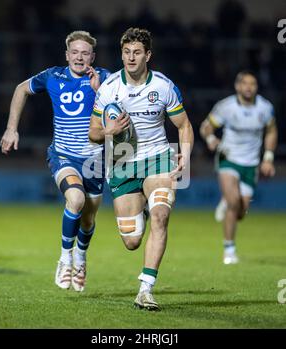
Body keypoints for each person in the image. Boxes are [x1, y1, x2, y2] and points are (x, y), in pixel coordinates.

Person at [89, 27, 194, 310]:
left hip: (158, 157)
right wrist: (108, 130)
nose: (130, 58)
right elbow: (93, 133)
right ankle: (143, 208)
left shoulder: (163, 86)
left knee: (160, 216)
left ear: (148, 55)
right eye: (126, 53)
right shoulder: (110, 87)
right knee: (132, 240)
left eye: (136, 52)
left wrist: (185, 154)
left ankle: (145, 289)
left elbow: (183, 125)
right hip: (121, 162)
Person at [0, 31, 110, 291]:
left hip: (95, 160)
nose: (79, 57)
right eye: (75, 52)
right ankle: (64, 258)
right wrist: (11, 128)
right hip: (63, 154)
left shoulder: (104, 78)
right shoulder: (52, 76)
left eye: (85, 53)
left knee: (88, 220)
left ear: (92, 56)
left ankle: (81, 259)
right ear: (67, 55)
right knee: (76, 199)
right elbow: (20, 89)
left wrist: (101, 92)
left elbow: (121, 108)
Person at [200, 70, 278, 264]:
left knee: (241, 212)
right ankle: (229, 250)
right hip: (228, 158)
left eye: (253, 84)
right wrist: (210, 138)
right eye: (245, 83)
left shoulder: (265, 107)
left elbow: (271, 131)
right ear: (237, 86)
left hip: (251, 163)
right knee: (234, 202)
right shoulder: (226, 107)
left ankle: (227, 202)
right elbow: (206, 126)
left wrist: (268, 158)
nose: (249, 87)